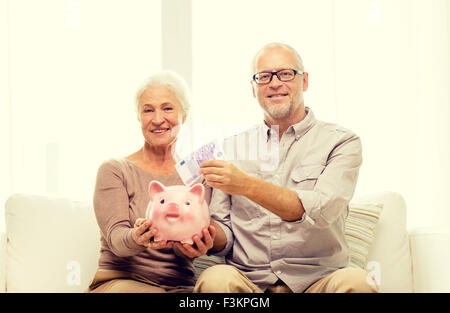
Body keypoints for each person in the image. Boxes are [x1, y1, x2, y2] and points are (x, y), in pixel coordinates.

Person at [195, 42, 378, 293]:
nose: (274, 83)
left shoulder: (342, 142)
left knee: (358, 283)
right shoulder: (230, 148)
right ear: (253, 89)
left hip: (318, 280)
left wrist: (246, 184)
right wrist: (200, 232)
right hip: (250, 282)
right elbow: (224, 235)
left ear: (304, 81)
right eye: (264, 76)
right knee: (216, 278)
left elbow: (320, 211)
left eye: (286, 73)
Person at [87, 70, 215, 293]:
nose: (157, 119)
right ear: (139, 116)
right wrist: (138, 238)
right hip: (121, 282)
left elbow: (184, 244)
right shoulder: (115, 170)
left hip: (180, 286)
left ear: (184, 115)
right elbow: (117, 241)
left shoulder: (197, 176)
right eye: (148, 110)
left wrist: (191, 246)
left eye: (167, 108)